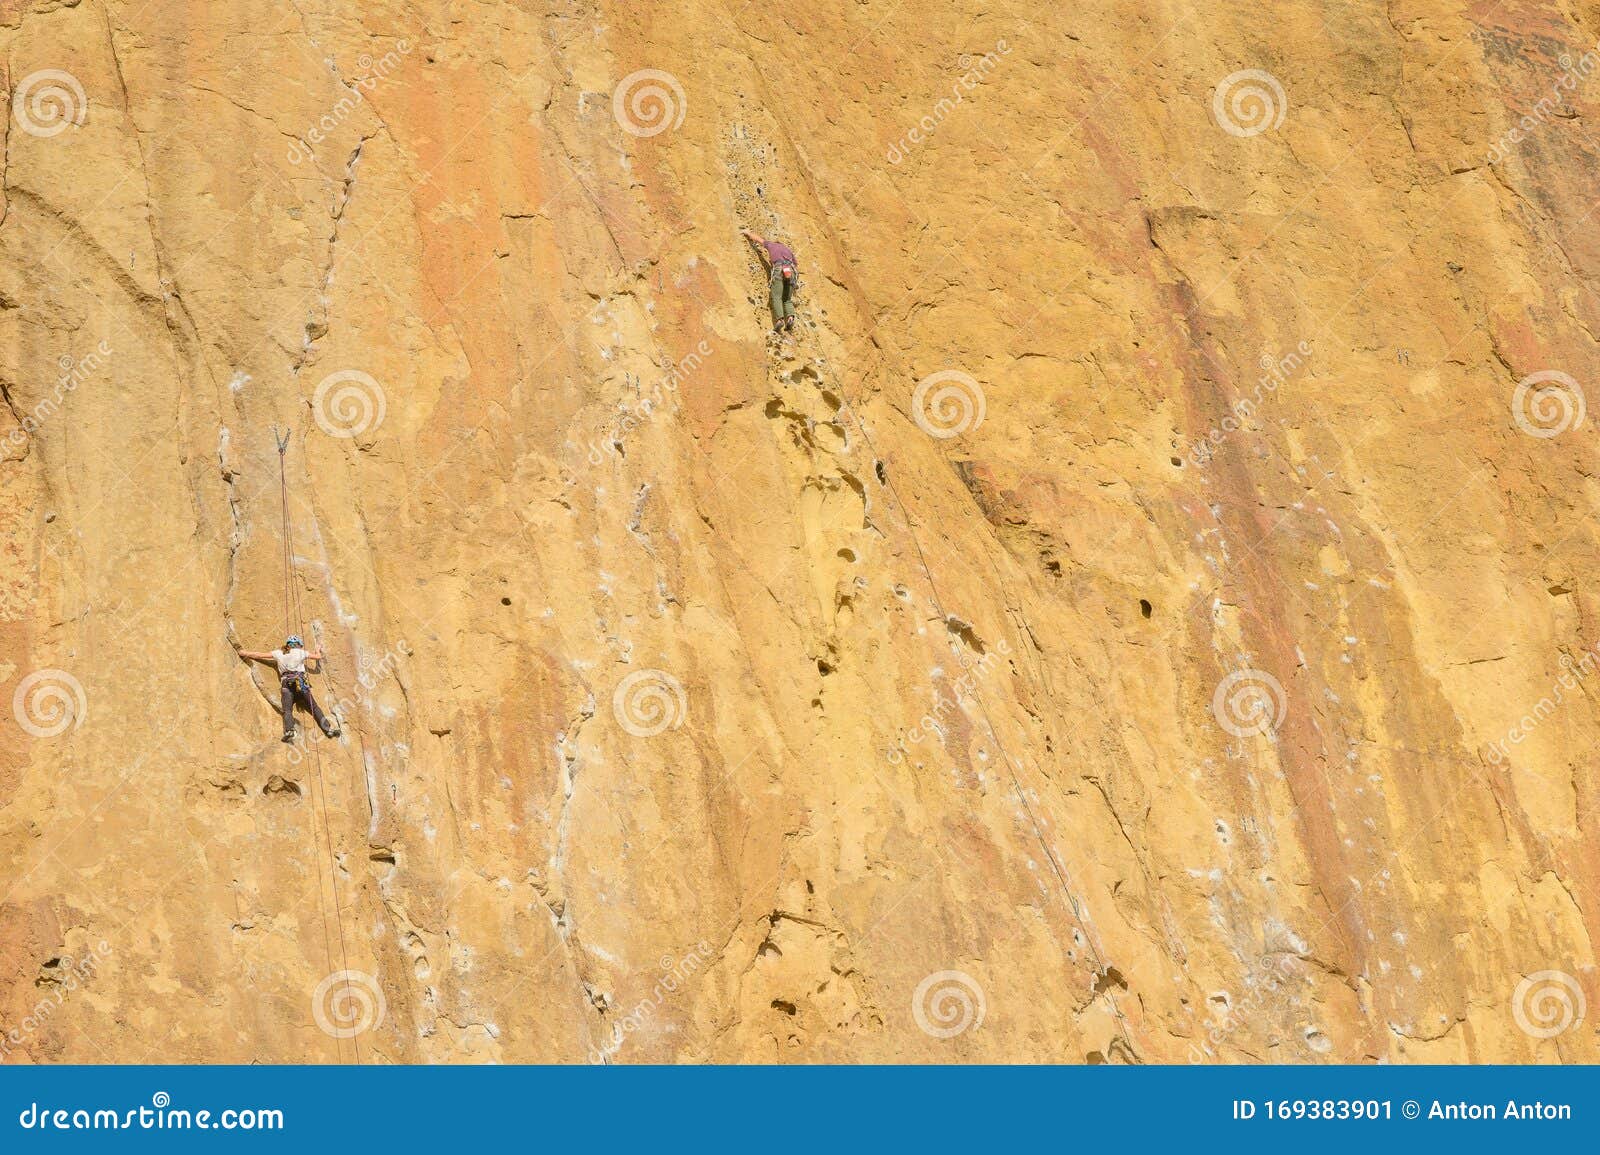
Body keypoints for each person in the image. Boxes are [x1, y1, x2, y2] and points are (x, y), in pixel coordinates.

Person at [240, 635, 340, 742]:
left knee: (287, 710)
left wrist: (244, 653)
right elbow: (318, 657)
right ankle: (328, 729)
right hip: (300, 684)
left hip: (286, 685)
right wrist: (317, 650)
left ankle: (290, 730)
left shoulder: (279, 653)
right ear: (298, 645)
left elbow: (259, 655)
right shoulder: (301, 652)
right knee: (314, 707)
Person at [741, 228, 799, 333]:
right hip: (791, 271)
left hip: (779, 269)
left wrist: (748, 233)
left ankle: (780, 320)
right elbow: (796, 264)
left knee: (776, 296)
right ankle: (790, 318)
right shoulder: (788, 250)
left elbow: (759, 240)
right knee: (787, 298)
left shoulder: (771, 245)